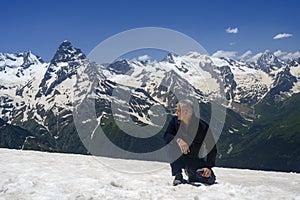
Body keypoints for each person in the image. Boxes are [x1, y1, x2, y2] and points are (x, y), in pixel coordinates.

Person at [163, 99, 217, 186]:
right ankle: (178, 175)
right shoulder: (174, 121)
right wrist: (179, 140)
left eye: (178, 110)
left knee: (210, 179)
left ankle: (192, 173)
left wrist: (208, 167)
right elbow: (166, 136)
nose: (176, 113)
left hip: (194, 159)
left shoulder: (203, 127)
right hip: (179, 158)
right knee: (170, 144)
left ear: (187, 112)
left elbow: (212, 147)